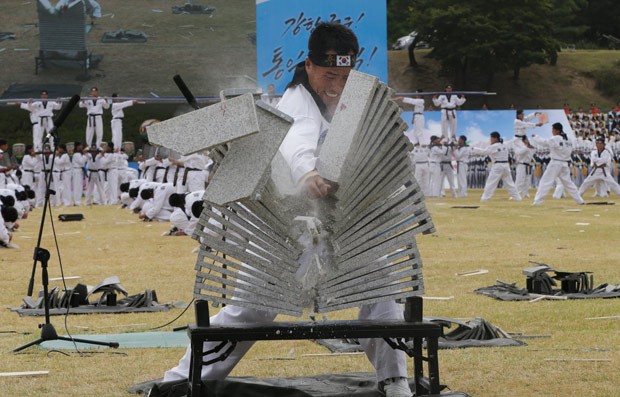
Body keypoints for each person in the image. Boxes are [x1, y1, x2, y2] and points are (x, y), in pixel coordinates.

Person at [162, 22, 414, 397]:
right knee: (250, 310)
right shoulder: (297, 98)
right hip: (287, 226)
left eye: (345, 75)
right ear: (309, 65)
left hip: (344, 225)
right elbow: (297, 137)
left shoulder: (353, 97)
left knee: (379, 291)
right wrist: (307, 171)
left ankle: (394, 380)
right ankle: (181, 380)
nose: (336, 84)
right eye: (329, 74)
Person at [531, 123, 584, 206]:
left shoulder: (556, 138)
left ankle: (537, 202)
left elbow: (544, 143)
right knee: (569, 184)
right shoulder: (568, 139)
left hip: (555, 162)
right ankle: (579, 200)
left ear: (557, 130)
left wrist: (535, 137)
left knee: (545, 182)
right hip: (565, 163)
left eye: (553, 129)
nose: (552, 131)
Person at [472, 131, 521, 202]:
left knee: (491, 183)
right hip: (506, 165)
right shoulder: (504, 145)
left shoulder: (494, 146)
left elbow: (484, 152)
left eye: (491, 138)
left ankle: (484, 199)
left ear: (495, 138)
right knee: (510, 183)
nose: (490, 140)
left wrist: (474, 149)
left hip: (498, 166)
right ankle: (517, 198)